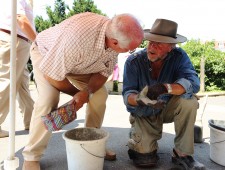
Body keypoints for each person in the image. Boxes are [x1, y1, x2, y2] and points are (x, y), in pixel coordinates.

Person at [22, 12, 144, 170]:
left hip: (80, 62)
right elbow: (52, 75)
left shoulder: (114, 35)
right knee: (48, 99)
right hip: (47, 54)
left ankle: (92, 142)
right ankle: (32, 155)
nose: (130, 52)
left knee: (99, 95)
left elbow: (102, 73)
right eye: (129, 49)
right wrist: (77, 95)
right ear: (114, 42)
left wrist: (87, 92)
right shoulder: (76, 40)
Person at [122, 18, 206, 169]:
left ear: (171, 47)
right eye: (151, 41)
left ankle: (182, 153)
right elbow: (128, 95)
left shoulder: (179, 57)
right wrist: (140, 99)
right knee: (145, 160)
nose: (152, 46)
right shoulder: (133, 62)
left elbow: (193, 83)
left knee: (189, 101)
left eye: (159, 43)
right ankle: (140, 145)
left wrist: (165, 88)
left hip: (167, 107)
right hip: (144, 111)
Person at [0, 0, 36, 137]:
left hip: (19, 42)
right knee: (7, 82)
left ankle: (32, 121)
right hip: (13, 40)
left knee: (23, 85)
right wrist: (37, 41)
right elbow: (20, 18)